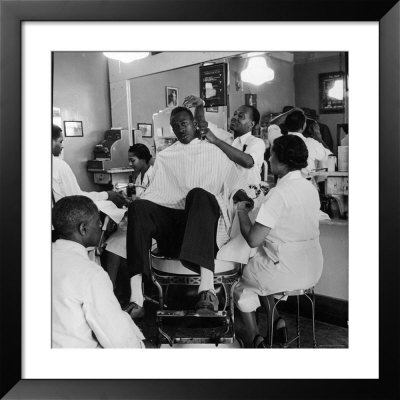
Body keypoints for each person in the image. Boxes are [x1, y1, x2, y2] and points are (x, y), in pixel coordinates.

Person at [125, 106, 250, 318]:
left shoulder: (214, 150)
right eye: (175, 126)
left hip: (203, 223)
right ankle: (136, 298)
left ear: (194, 123)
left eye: (184, 123)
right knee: (138, 206)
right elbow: (156, 192)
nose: (180, 129)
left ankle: (207, 289)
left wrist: (242, 197)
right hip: (175, 227)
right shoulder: (166, 156)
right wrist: (137, 212)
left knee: (198, 194)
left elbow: (234, 181)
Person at [233, 135, 324, 348]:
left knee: (240, 285)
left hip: (283, 272)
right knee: (261, 268)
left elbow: (254, 239)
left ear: (282, 161)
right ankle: (276, 320)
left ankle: (254, 338)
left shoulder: (279, 193)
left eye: (272, 154)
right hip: (312, 269)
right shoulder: (310, 189)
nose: (269, 158)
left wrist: (241, 212)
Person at [52, 195, 145, 348]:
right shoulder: (90, 274)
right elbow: (121, 343)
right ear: (83, 229)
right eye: (97, 221)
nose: (101, 224)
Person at [104, 144, 154, 302]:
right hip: (138, 222)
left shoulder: (154, 175)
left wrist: (136, 202)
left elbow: (154, 202)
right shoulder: (139, 176)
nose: (130, 164)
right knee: (112, 239)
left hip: (150, 227)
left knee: (116, 242)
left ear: (144, 159)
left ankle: (110, 291)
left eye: (133, 160)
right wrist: (128, 200)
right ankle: (111, 288)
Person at [183, 95, 265, 187]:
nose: (234, 117)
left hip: (249, 195)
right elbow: (201, 123)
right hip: (227, 194)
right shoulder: (226, 137)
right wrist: (199, 105)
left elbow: (248, 162)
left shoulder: (256, 142)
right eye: (235, 114)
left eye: (241, 116)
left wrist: (215, 140)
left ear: (251, 124)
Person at [52, 124, 125, 207]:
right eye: (60, 141)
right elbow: (76, 197)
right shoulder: (60, 166)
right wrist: (107, 195)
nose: (62, 146)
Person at [284, 110, 332, 175]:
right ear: (303, 126)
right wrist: (318, 138)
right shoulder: (311, 143)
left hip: (284, 183)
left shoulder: (278, 141)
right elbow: (331, 159)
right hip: (306, 182)